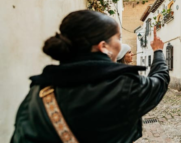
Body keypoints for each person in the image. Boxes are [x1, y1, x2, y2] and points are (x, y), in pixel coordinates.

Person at [11, 10, 169, 143]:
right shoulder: (123, 86)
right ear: (103, 46)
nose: (120, 45)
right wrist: (158, 51)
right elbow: (160, 81)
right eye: (118, 38)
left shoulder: (38, 91)